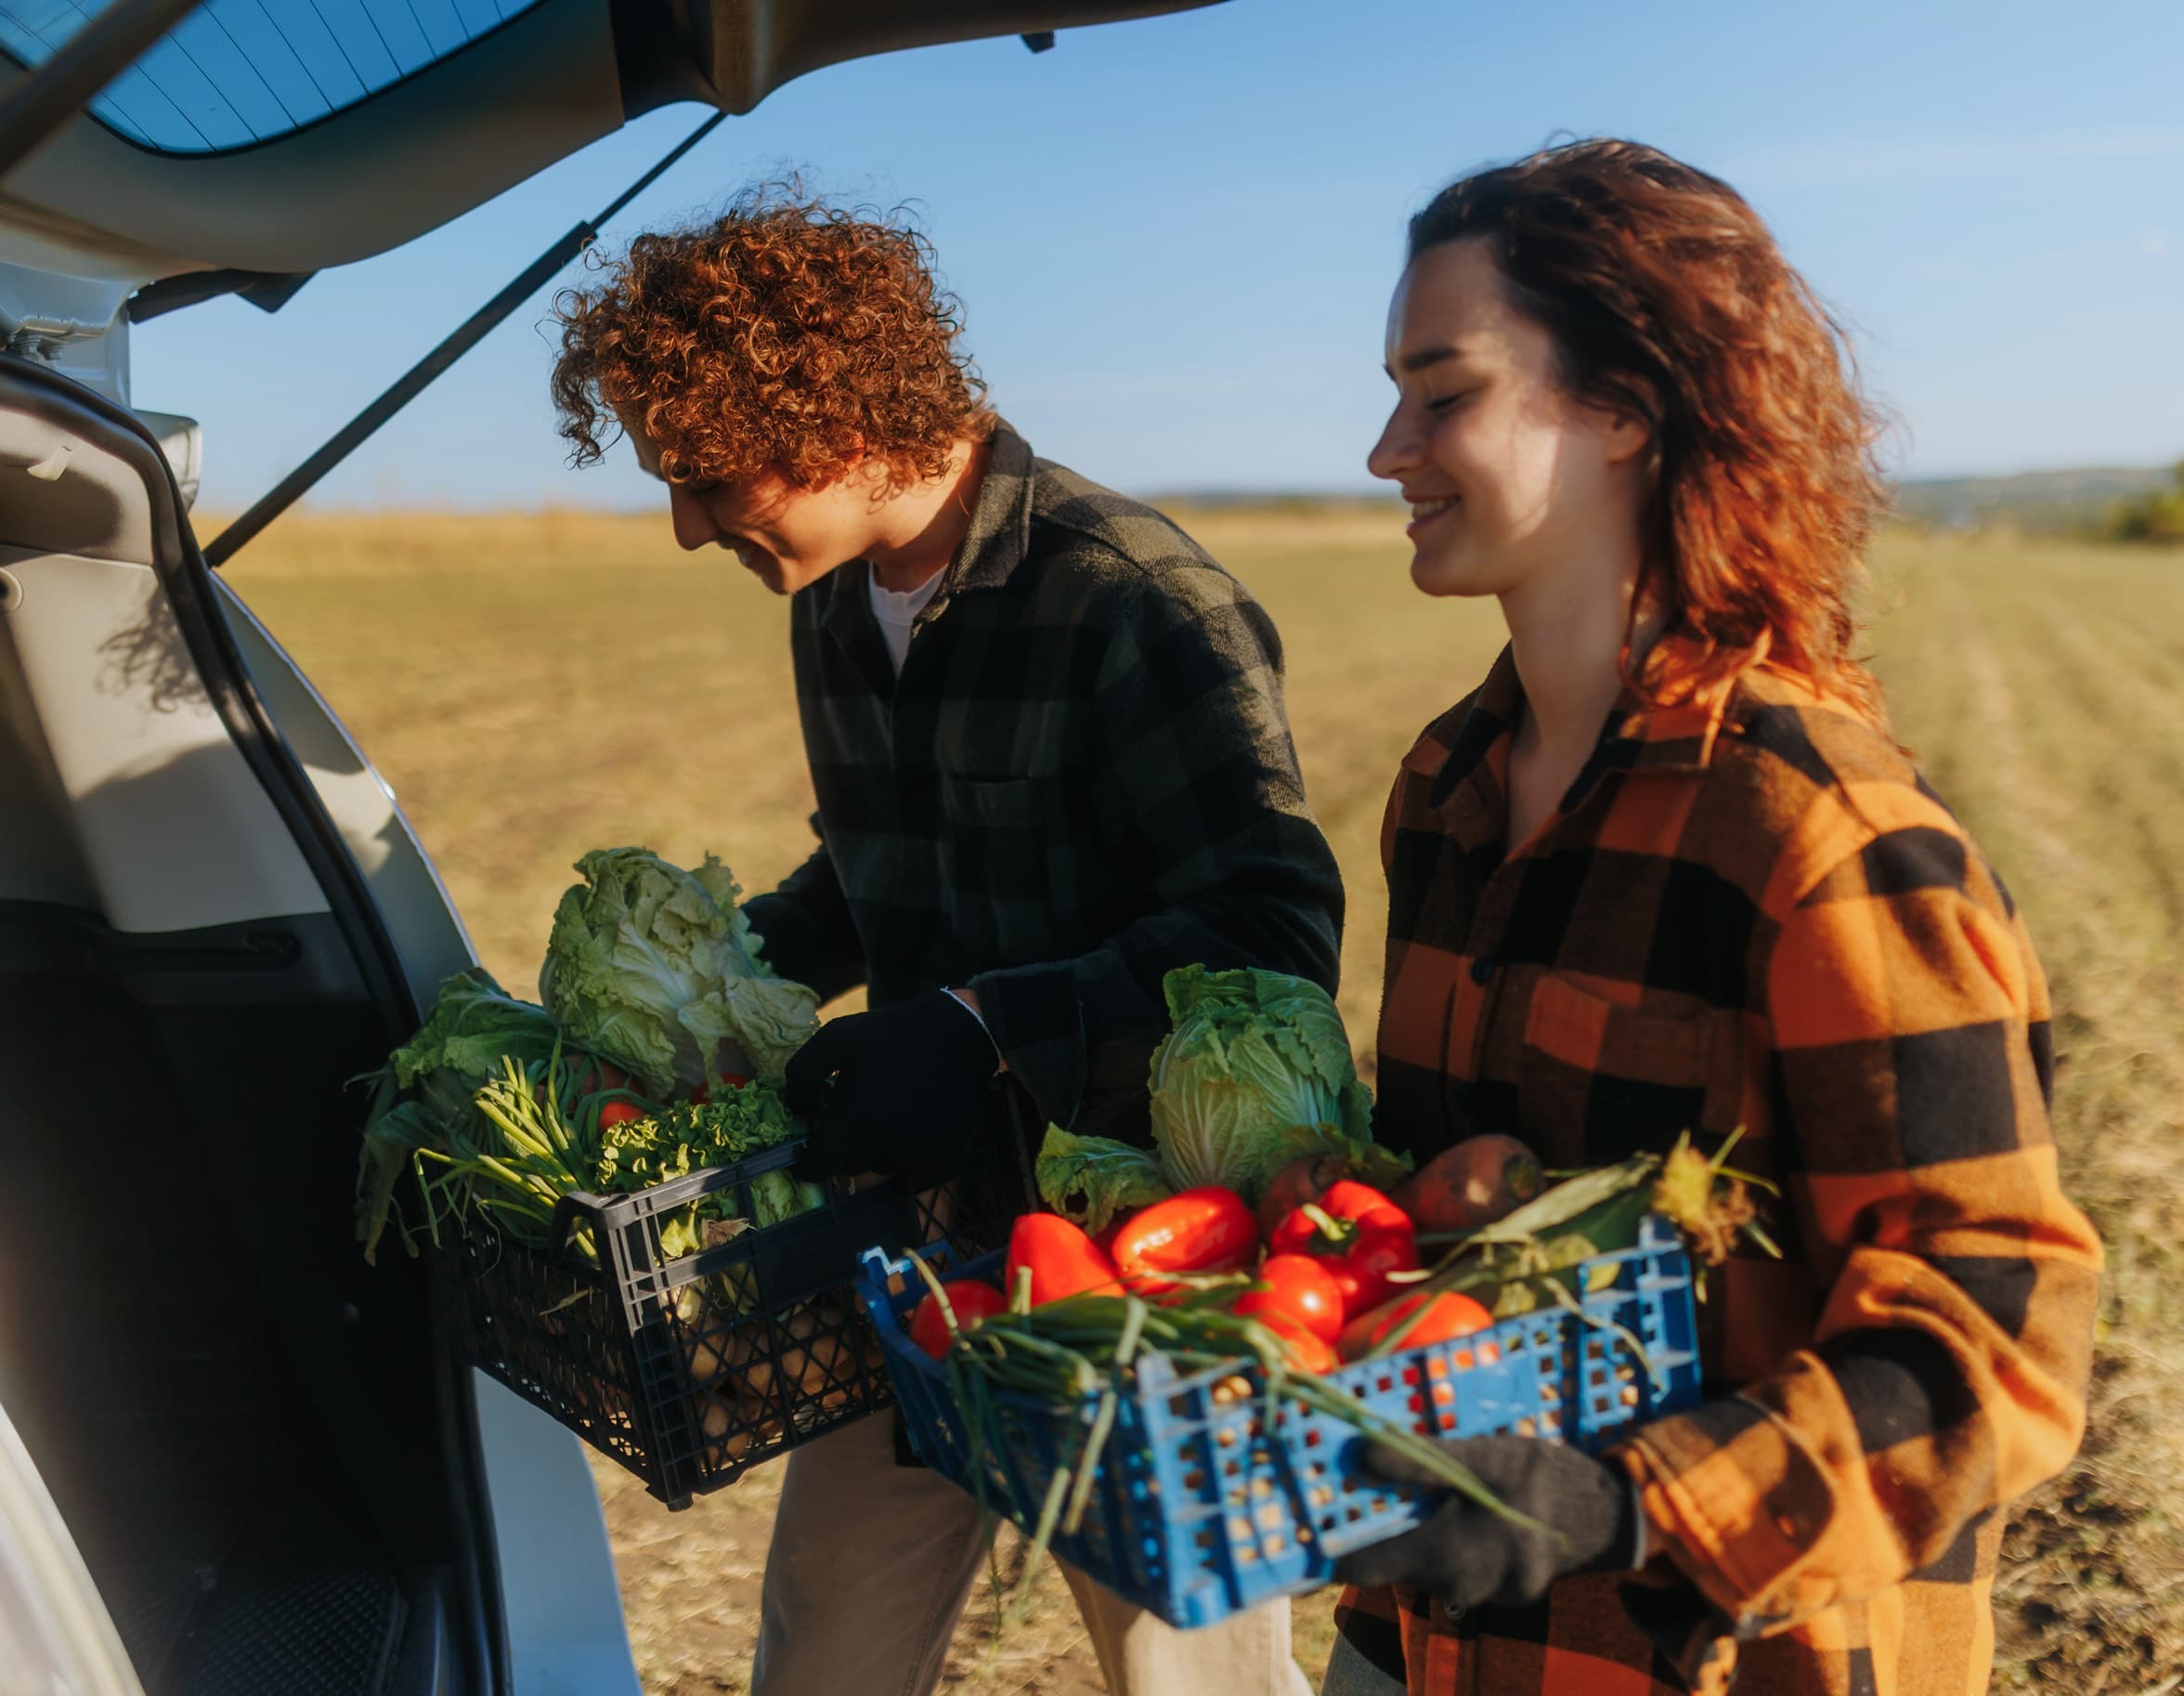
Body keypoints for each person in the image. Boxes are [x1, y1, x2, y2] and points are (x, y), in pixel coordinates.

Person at [1320, 139, 2102, 1696]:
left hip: (1732, 1657)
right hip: (1424, 1643)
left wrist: (1623, 1508)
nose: (1385, 448)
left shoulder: (1820, 832)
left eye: (1444, 390)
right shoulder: (1450, 785)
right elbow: (1464, 1239)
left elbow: (1995, 1341)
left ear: (1624, 403)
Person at [549, 187, 1333, 1696]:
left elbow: (1271, 928)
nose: (685, 525)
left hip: (1142, 1251)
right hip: (907, 1242)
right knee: (823, 1653)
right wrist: (704, 985)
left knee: (1199, 1674)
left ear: (836, 417)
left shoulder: (1138, 604)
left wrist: (984, 1028)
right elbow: (877, 866)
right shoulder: (833, 598)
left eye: (707, 477)